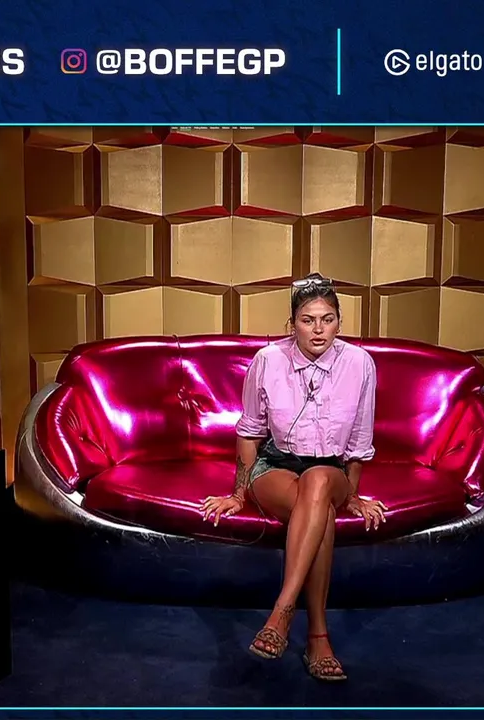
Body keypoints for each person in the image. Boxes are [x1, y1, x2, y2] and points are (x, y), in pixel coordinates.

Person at [199, 273, 385, 682]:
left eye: (328, 319)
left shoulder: (359, 364)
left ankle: (281, 611)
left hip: (331, 470)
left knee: (319, 480)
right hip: (275, 465)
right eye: (308, 320)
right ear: (292, 324)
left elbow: (359, 440)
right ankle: (318, 636)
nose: (318, 329)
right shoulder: (268, 360)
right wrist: (238, 493)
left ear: (339, 322)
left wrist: (353, 495)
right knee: (320, 513)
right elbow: (250, 431)